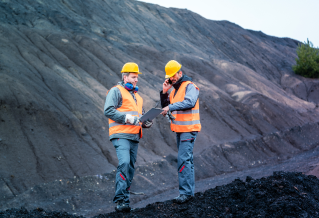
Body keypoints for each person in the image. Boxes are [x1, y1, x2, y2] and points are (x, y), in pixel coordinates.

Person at [104, 62, 153, 212]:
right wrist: (127, 118)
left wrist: (147, 122)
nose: (136, 80)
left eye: (137, 77)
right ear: (125, 77)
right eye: (133, 77)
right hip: (120, 134)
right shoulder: (116, 91)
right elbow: (108, 110)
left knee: (130, 168)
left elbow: (140, 117)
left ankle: (125, 201)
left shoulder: (138, 97)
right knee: (124, 163)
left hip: (134, 136)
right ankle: (119, 200)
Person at [160, 60, 201, 204]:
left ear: (180, 73)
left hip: (189, 129)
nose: (172, 78)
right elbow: (167, 107)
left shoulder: (190, 86)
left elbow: (189, 102)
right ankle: (189, 193)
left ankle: (185, 193)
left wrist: (170, 108)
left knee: (183, 159)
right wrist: (164, 93)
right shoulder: (174, 91)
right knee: (187, 160)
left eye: (174, 75)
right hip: (180, 129)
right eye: (170, 76)